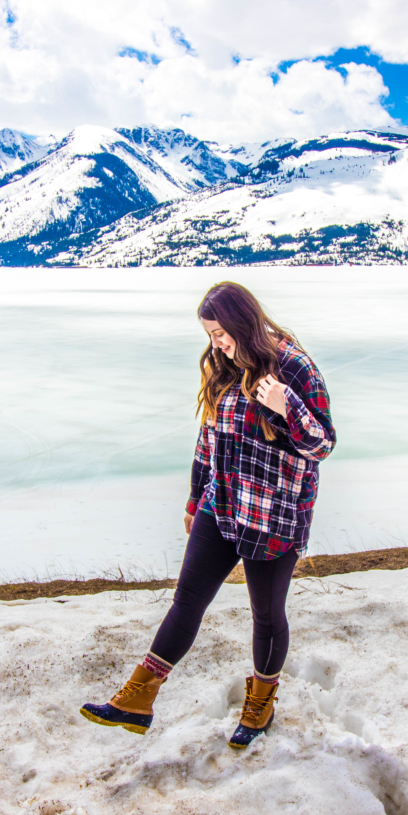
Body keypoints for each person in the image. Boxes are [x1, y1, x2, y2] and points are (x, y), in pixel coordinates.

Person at [80, 281, 336, 748]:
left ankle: (260, 704)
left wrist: (286, 407)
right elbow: (208, 439)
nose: (215, 343)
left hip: (274, 517)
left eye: (220, 333)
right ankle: (136, 698)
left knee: (266, 613)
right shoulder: (223, 365)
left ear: (242, 323)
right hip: (221, 507)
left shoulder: (295, 367)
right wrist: (194, 498)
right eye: (210, 335)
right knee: (187, 601)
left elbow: (322, 444)